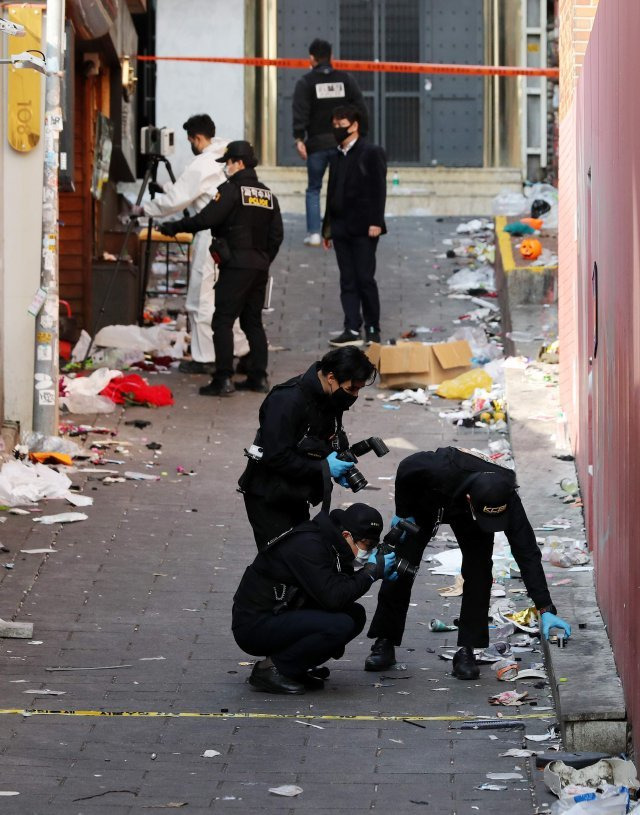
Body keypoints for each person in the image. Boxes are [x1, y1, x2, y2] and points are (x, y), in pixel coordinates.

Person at [364, 446, 572, 679]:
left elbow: (527, 551)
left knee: (480, 571)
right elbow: (405, 467)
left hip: (472, 517)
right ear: (471, 500)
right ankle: (385, 641)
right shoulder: (437, 468)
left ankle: (467, 650)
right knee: (401, 564)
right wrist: (403, 511)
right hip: (429, 500)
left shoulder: (506, 494)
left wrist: (545, 607)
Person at [159, 141, 283, 397]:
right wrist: (262, 259)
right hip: (259, 267)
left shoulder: (231, 190)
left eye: (227, 163)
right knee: (253, 323)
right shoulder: (268, 195)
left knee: (222, 321)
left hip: (236, 265)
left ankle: (223, 378)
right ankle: (258, 378)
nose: (226, 168)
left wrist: (173, 228)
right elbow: (276, 235)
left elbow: (206, 219)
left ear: (238, 163)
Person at [232, 503, 397, 694]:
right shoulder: (309, 544)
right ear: (346, 536)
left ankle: (294, 668)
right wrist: (369, 573)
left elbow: (339, 589)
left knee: (355, 614)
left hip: (281, 612)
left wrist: (375, 572)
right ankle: (271, 670)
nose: (367, 553)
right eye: (367, 546)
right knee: (339, 625)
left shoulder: (331, 543)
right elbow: (333, 598)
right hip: (254, 624)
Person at [131, 114, 246, 373]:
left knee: (201, 298)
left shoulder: (202, 163)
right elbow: (192, 190)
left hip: (211, 236)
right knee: (228, 297)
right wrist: (169, 188)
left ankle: (205, 358)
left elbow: (176, 200)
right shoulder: (227, 155)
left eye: (190, 141)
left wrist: (144, 210)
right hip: (236, 236)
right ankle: (239, 349)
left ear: (197, 138)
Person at [238, 346, 377, 551]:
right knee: (282, 563)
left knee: (298, 558)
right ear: (331, 377)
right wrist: (324, 467)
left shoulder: (329, 397)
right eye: (351, 389)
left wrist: (336, 459)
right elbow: (275, 455)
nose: (354, 395)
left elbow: (323, 438)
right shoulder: (286, 400)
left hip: (296, 493)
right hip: (269, 496)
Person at [292, 38, 368, 248]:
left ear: (311, 58)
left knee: (314, 189)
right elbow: (360, 108)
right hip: (342, 145)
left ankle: (314, 233)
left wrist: (299, 138)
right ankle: (341, 230)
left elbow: (300, 111)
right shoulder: (346, 80)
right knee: (343, 187)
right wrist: (362, 135)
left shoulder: (305, 82)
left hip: (316, 145)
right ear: (331, 57)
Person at [322, 104, 387, 348]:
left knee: (364, 278)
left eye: (342, 125)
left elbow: (378, 189)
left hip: (364, 228)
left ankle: (372, 327)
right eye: (335, 125)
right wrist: (327, 229)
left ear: (355, 125)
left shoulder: (371, 152)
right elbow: (331, 192)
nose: (338, 129)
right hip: (340, 227)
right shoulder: (336, 154)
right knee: (347, 279)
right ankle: (351, 326)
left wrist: (376, 222)